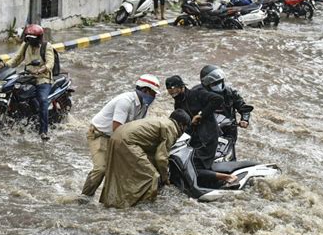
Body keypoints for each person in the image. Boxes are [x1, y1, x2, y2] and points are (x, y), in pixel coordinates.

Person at [78, 74, 161, 204]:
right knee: (101, 169)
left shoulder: (144, 106)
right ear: (145, 90)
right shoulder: (125, 101)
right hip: (100, 135)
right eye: (153, 93)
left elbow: (137, 128)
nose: (154, 97)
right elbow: (117, 130)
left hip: (118, 137)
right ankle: (84, 198)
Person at [99, 109, 191, 208]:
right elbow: (161, 158)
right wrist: (165, 178)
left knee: (124, 174)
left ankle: (113, 203)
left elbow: (151, 152)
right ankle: (141, 206)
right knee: (151, 176)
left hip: (116, 136)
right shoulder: (171, 128)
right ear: (181, 125)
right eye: (186, 127)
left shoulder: (163, 121)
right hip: (127, 142)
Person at [165, 74, 238, 189]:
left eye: (175, 91)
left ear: (182, 87)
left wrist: (200, 115)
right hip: (194, 138)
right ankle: (209, 183)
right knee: (186, 163)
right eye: (170, 92)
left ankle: (228, 178)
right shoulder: (178, 103)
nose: (173, 94)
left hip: (208, 137)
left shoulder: (197, 93)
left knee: (195, 167)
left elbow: (218, 99)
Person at [0, 24, 54, 141]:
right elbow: (17, 59)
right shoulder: (26, 45)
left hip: (42, 78)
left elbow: (50, 63)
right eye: (28, 39)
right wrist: (5, 64)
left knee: (43, 100)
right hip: (28, 77)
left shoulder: (46, 46)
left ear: (39, 38)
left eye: (32, 39)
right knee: (15, 92)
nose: (29, 41)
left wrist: (42, 69)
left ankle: (43, 132)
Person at [199, 65, 251, 160]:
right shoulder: (198, 94)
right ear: (206, 85)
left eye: (219, 83)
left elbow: (244, 108)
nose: (218, 86)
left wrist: (245, 119)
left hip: (228, 132)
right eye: (214, 84)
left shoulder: (230, 93)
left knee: (229, 158)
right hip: (207, 132)